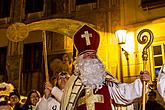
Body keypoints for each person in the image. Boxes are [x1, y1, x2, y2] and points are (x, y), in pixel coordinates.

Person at [45, 25, 150, 110]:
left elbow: (124, 93)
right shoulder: (73, 83)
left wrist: (141, 82)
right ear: (80, 61)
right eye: (87, 55)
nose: (91, 57)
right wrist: (52, 89)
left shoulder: (107, 81)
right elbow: (67, 103)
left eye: (93, 55)